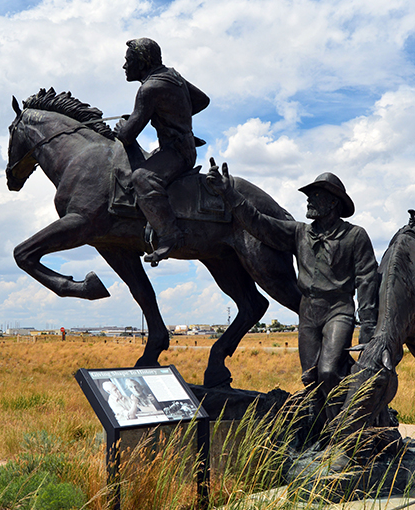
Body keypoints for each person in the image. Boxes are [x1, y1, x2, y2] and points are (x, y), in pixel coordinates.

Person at [206, 160, 379, 425]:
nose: (309, 200)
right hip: (308, 311)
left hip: (338, 310)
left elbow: (367, 280)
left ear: (333, 203)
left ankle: (342, 429)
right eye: (308, 195)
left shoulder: (355, 236)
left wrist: (368, 328)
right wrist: (229, 194)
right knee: (310, 377)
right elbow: (259, 224)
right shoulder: (300, 233)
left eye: (315, 195)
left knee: (329, 370)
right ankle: (320, 429)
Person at [114, 38, 211, 263]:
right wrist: (173, 114)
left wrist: (123, 127)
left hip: (177, 153)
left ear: (143, 61)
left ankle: (169, 235)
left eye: (129, 61)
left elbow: (127, 136)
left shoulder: (149, 89)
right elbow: (202, 100)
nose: (124, 66)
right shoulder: (172, 75)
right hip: (181, 146)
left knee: (141, 178)